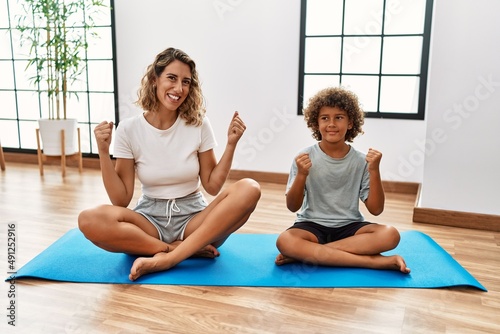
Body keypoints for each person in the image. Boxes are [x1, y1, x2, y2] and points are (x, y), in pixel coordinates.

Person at [78, 47, 261, 281]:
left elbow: (212, 186)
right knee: (89, 219)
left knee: (250, 188)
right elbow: (121, 199)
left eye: (186, 82)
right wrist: (103, 152)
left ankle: (170, 258)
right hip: (149, 221)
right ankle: (175, 249)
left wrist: (231, 145)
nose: (179, 89)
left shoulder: (198, 124)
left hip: (195, 220)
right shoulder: (129, 129)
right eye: (171, 78)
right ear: (154, 80)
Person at [275, 87, 410, 273]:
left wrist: (374, 170)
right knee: (285, 241)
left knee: (390, 235)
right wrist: (301, 175)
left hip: (350, 226)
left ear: (350, 123)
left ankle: (308, 255)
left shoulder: (361, 160)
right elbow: (292, 206)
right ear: (316, 123)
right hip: (311, 226)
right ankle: (374, 262)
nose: (331, 123)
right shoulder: (303, 157)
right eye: (325, 118)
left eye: (339, 117)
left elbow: (376, 209)